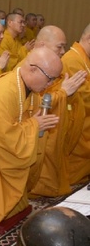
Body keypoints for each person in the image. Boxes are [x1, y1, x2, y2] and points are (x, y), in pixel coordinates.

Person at [0, 47, 62, 231]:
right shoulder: (3, 91)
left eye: (54, 79)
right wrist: (35, 125)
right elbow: (2, 138)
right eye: (49, 78)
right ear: (33, 69)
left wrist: (34, 125)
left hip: (6, 153)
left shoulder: (31, 91)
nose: (51, 84)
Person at [29, 26, 87, 197]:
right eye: (59, 47)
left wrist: (67, 93)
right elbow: (33, 103)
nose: (63, 51)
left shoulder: (52, 67)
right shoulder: (31, 69)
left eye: (64, 46)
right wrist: (63, 93)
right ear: (41, 45)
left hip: (53, 126)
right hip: (39, 130)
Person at [61, 24, 90, 186]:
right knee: (73, 178)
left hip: (85, 121)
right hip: (77, 122)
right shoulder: (72, 60)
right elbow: (83, 96)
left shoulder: (83, 59)